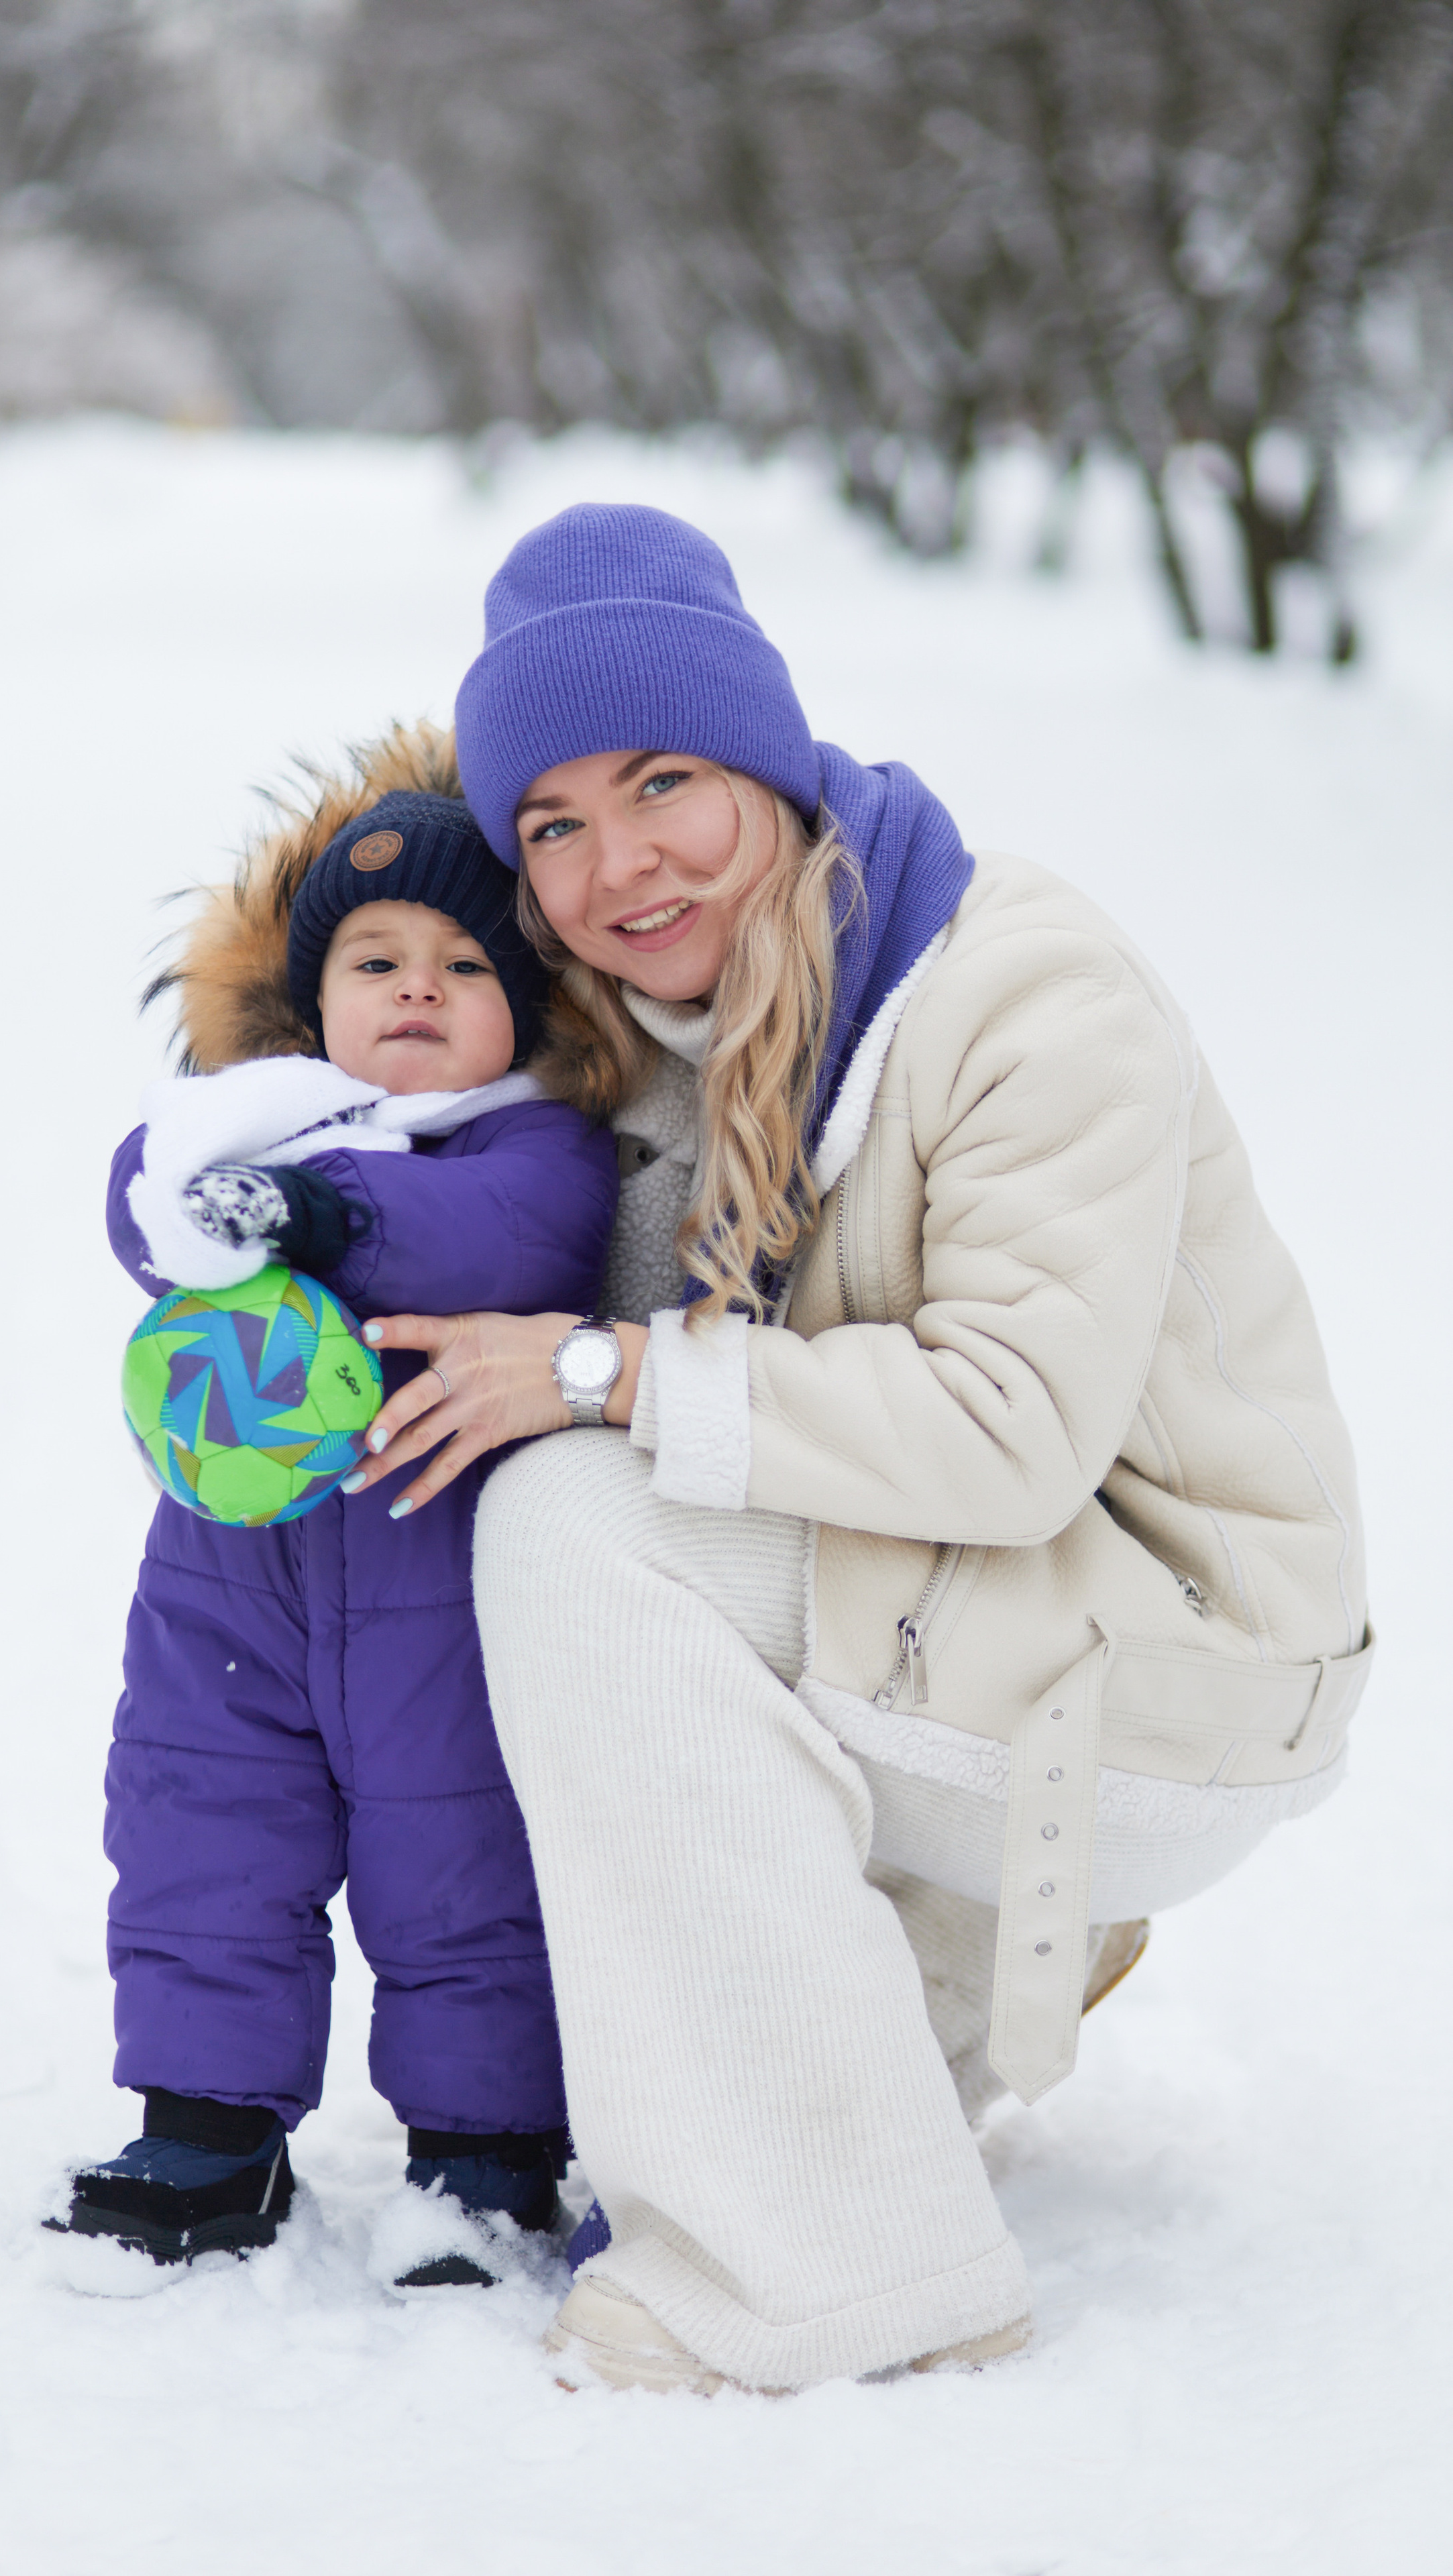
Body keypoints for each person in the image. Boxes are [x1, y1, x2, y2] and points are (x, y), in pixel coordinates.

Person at [340, 504, 1373, 2391]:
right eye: (550, 824)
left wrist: (601, 1373)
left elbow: (1007, 1431)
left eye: (661, 782)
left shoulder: (1018, 991)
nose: (616, 864)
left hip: (1180, 1656)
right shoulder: (639, 1030)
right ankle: (923, 1993)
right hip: (978, 1614)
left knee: (585, 1527)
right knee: (619, 1526)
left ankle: (838, 2279)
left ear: (765, 758)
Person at [60, 764, 616, 2284]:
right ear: (312, 1000)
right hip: (227, 1584)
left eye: (463, 966)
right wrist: (205, 1189)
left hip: (444, 1577)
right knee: (202, 1831)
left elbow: (500, 1238)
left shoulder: (534, 1146)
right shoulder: (251, 1122)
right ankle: (205, 2127)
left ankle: (487, 2151)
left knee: (467, 1861)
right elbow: (143, 1196)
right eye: (376, 961)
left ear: (527, 1007)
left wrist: (319, 1217)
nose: (417, 991)